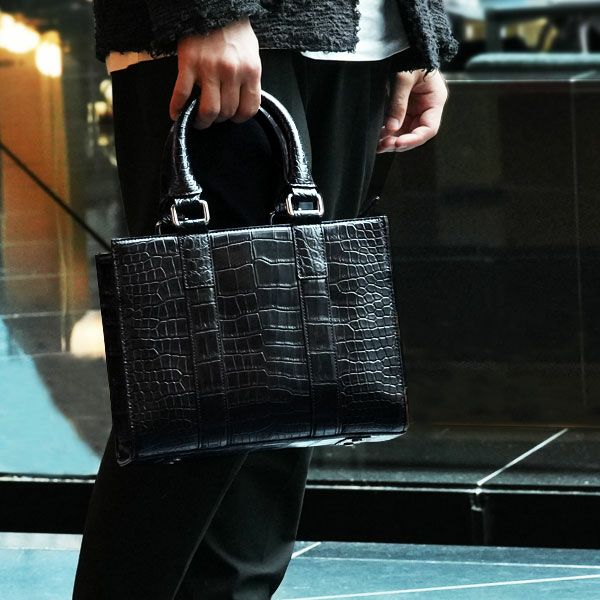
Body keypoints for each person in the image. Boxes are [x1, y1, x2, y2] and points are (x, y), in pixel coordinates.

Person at [72, 1, 458, 599]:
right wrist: (208, 12)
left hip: (360, 39)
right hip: (230, 28)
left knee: (287, 392)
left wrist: (415, 33)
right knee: (199, 399)